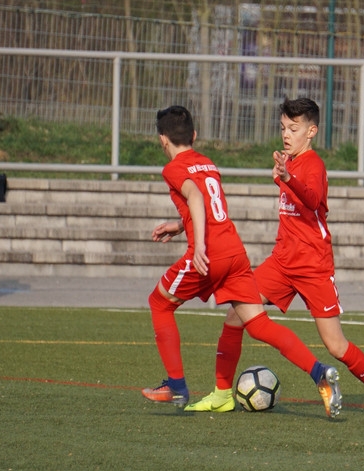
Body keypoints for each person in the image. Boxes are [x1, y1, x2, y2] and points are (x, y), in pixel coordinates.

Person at [187, 97, 364, 417]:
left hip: (313, 266)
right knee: (236, 315)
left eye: (293, 129)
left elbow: (313, 199)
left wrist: (288, 178)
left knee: (336, 345)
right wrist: (283, 174)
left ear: (311, 131)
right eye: (283, 128)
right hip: (281, 262)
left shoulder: (313, 164)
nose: (286, 134)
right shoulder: (287, 164)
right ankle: (222, 394)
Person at [142, 105, 344, 417]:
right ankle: (319, 372)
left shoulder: (173, 168)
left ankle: (176, 385)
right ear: (194, 135)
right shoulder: (206, 163)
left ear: (162, 140)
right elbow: (209, 203)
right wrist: (180, 225)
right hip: (234, 253)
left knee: (159, 303)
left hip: (209, 253)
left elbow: (195, 197)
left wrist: (198, 246)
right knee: (258, 324)